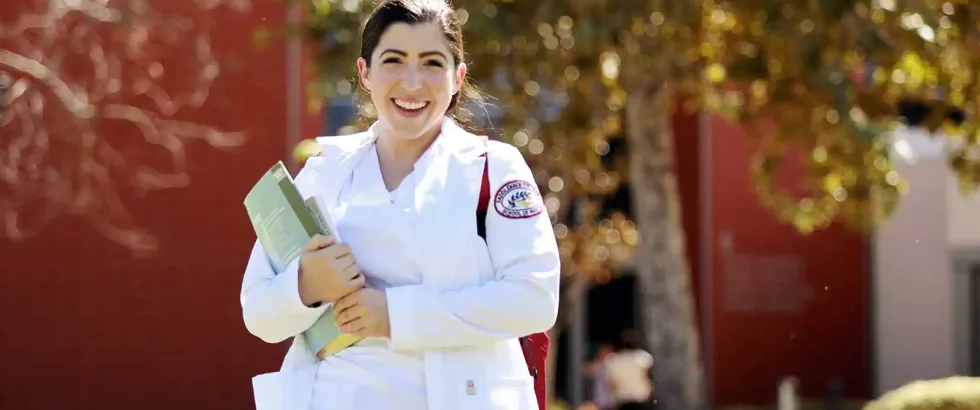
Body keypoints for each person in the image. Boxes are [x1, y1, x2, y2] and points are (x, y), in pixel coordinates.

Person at [238, 1, 560, 410]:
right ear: (365, 73)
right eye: (393, 60)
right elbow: (259, 314)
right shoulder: (325, 173)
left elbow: (534, 299)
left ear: (458, 77)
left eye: (431, 63)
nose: (412, 83)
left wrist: (393, 314)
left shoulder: (491, 168)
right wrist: (305, 287)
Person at [602, 330, 654, 410]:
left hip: (623, 400)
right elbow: (649, 377)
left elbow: (611, 382)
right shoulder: (642, 357)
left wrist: (612, 399)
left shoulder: (613, 361)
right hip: (640, 398)